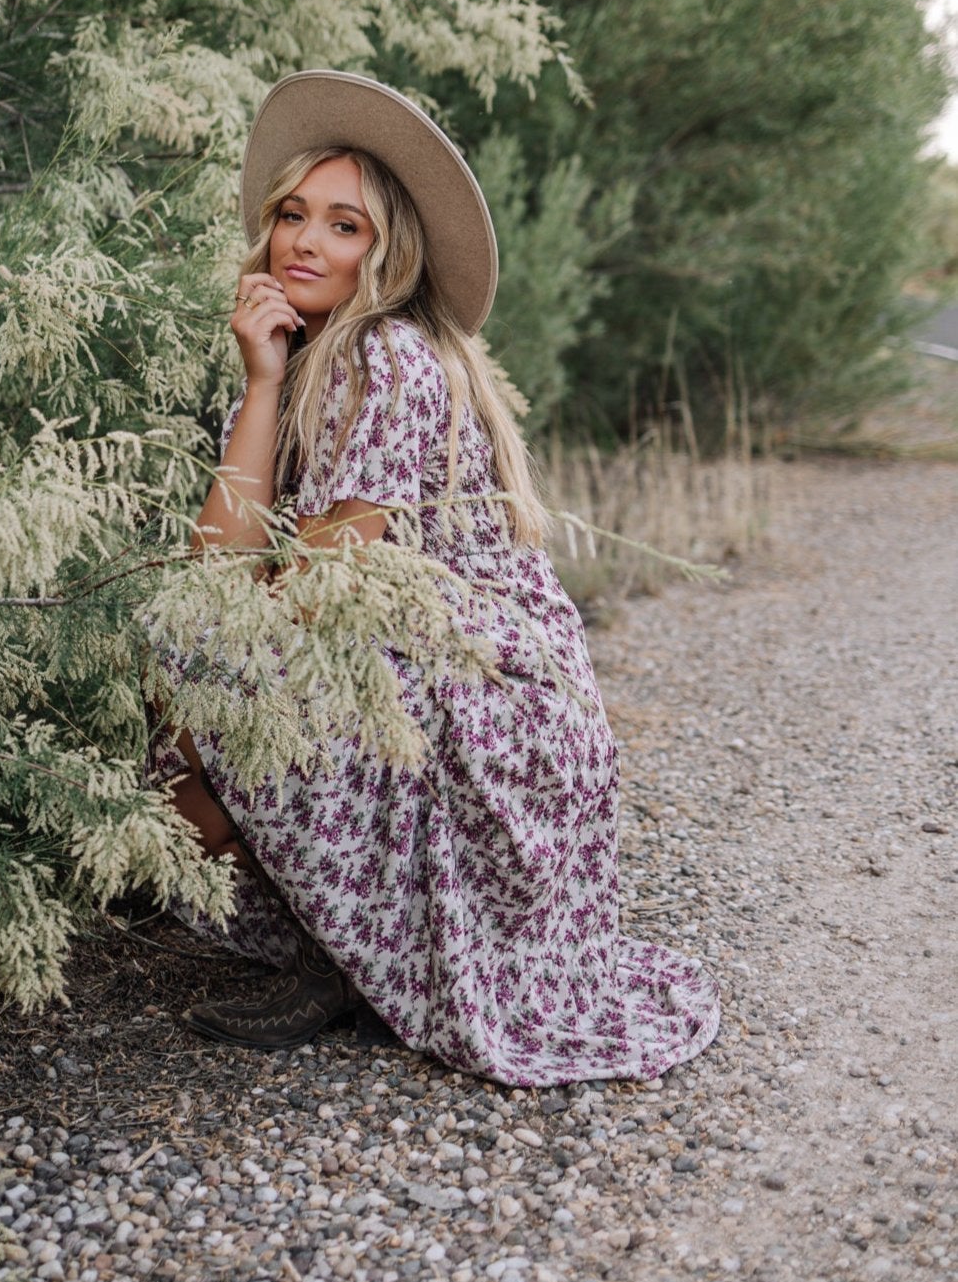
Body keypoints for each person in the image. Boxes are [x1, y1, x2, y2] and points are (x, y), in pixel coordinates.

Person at [147, 70, 719, 1086]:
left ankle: (350, 959)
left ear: (389, 252)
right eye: (291, 215)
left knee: (204, 680)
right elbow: (216, 568)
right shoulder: (316, 359)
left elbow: (324, 576)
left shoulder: (391, 359)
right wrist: (261, 380)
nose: (304, 243)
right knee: (191, 660)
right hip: (413, 658)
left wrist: (202, 690)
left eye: (343, 226)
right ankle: (344, 954)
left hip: (495, 696)